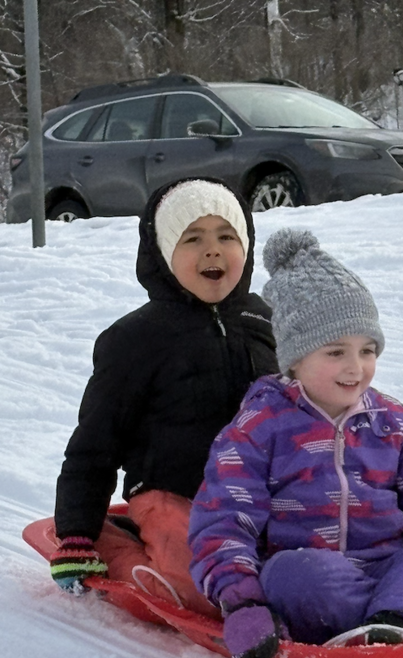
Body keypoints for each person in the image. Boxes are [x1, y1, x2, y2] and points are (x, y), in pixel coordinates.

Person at [189, 228, 403, 658]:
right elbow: (222, 523)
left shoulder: (392, 421)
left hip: (393, 565)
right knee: (292, 577)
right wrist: (242, 602)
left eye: (368, 351)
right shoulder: (258, 428)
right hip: (319, 575)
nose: (356, 368)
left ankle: (402, 618)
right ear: (294, 357)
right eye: (336, 352)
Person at [49, 177, 278, 613]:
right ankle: (115, 546)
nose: (213, 250)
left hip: (255, 490)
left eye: (226, 236)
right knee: (203, 586)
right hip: (171, 493)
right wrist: (76, 531)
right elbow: (94, 443)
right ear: (164, 253)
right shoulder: (134, 339)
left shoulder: (264, 321)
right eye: (193, 239)